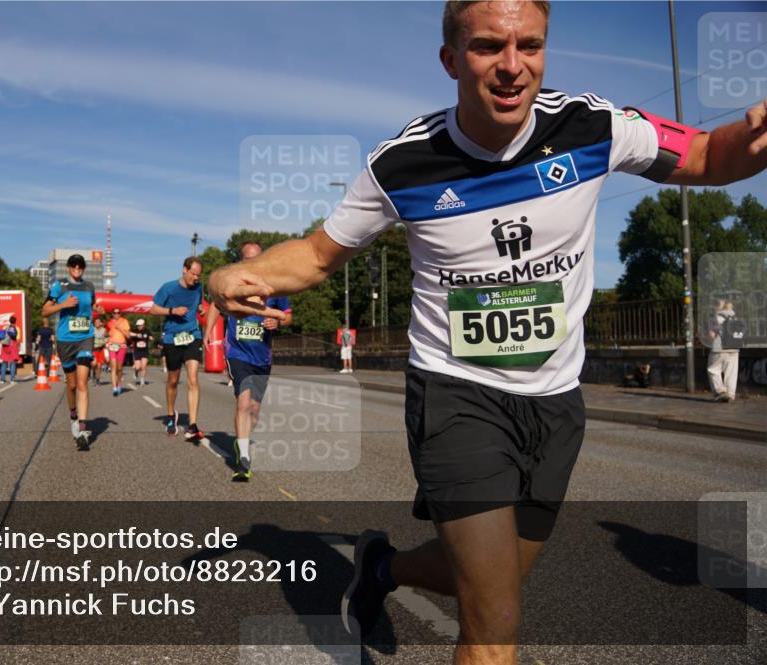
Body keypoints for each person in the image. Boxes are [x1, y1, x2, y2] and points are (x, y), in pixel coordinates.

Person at [209, 2, 767, 661]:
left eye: (529, 45)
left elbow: (704, 153)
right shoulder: (403, 163)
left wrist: (752, 137)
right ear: (451, 59)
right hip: (455, 393)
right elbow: (317, 254)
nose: (512, 66)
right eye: (487, 47)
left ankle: (382, 567)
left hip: (556, 402)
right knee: (496, 619)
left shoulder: (593, 126)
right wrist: (233, 275)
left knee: (487, 580)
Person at [205, 241, 292, 481]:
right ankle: (243, 458)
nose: (252, 263)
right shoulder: (232, 282)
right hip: (237, 352)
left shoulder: (274, 286)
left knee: (254, 408)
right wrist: (208, 331)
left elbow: (287, 316)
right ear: (241, 260)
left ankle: (241, 441)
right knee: (243, 402)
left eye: (256, 258)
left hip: (262, 357)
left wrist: (278, 322)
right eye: (247, 259)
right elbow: (216, 303)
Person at [43, 254, 105, 450]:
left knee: (82, 382)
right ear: (68, 267)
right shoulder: (59, 286)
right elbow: (45, 310)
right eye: (73, 265)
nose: (77, 268)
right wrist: (63, 305)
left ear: (83, 268)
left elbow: (92, 306)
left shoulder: (89, 286)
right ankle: (73, 415)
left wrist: (98, 309)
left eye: (80, 265)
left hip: (85, 337)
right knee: (71, 385)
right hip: (65, 340)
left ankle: (83, 430)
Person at [152, 257, 205, 442]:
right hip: (172, 338)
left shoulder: (199, 287)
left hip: (192, 336)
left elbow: (198, 303)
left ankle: (192, 424)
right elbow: (153, 309)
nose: (195, 278)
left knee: (193, 378)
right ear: (184, 269)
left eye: (198, 275)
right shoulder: (168, 288)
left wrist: (201, 309)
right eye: (193, 274)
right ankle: (170, 415)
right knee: (173, 380)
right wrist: (172, 311)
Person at [707, 299, 740, 402]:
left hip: (719, 348)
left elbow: (712, 335)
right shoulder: (736, 318)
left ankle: (720, 391)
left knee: (713, 369)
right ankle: (730, 394)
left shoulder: (716, 318)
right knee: (731, 372)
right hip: (734, 348)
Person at [106, 308, 132, 396]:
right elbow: (106, 333)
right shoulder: (109, 322)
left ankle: (119, 384)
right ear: (112, 314)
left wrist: (120, 327)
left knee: (119, 368)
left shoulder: (124, 321)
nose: (116, 314)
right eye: (114, 313)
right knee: (113, 367)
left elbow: (128, 336)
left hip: (122, 346)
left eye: (118, 313)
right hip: (112, 345)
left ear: (121, 313)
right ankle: (114, 388)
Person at [0, 316, 20, 384]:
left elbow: (1, 336)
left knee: (4, 362)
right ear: (15, 321)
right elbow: (17, 339)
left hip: (5, 346)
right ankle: (12, 379)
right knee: (13, 363)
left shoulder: (5, 327)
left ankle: (2, 379)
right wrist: (18, 347)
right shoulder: (17, 328)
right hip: (13, 345)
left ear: (9, 321)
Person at [131, 318, 154, 386]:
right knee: (138, 367)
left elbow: (151, 337)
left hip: (144, 351)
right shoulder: (134, 331)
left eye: (140, 325)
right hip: (137, 351)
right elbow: (129, 333)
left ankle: (142, 380)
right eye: (138, 325)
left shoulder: (147, 331)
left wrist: (151, 338)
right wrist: (136, 335)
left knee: (144, 366)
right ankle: (136, 372)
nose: (139, 326)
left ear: (143, 325)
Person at [92, 315, 108, 386]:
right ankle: (93, 373)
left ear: (101, 323)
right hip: (93, 349)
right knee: (94, 364)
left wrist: (104, 342)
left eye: (99, 322)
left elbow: (107, 338)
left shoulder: (104, 330)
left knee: (99, 366)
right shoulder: (92, 329)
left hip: (101, 349)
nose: (97, 323)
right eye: (96, 322)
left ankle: (97, 379)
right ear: (94, 323)